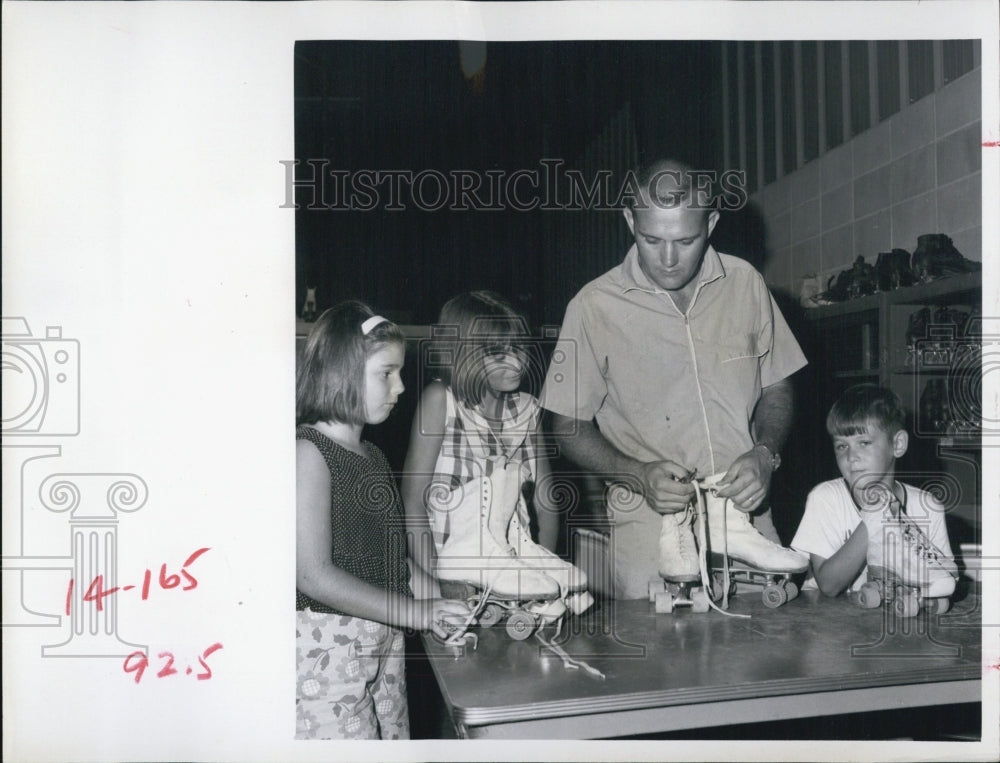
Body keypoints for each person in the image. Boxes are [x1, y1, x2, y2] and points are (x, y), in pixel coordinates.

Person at [541, 158, 808, 599]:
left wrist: (766, 453)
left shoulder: (746, 284)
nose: (667, 259)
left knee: (767, 656)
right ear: (630, 220)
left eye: (685, 240)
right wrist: (635, 473)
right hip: (650, 520)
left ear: (712, 222)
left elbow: (776, 385)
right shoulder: (592, 307)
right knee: (664, 661)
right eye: (652, 239)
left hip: (745, 512)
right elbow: (567, 425)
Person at [295, 301, 470, 740]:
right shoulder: (308, 454)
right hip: (327, 646)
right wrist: (417, 611)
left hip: (385, 639)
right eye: (386, 373)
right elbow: (312, 575)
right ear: (340, 372)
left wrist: (447, 598)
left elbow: (392, 559)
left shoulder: (373, 456)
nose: (401, 387)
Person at [401, 291, 590, 609]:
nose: (516, 362)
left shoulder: (528, 409)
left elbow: (546, 502)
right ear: (464, 354)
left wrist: (539, 583)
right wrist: (437, 583)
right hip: (451, 576)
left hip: (510, 574)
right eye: (498, 353)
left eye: (518, 348)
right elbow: (413, 503)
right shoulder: (441, 401)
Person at [791, 383, 958, 598]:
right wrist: (875, 517)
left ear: (897, 444)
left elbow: (945, 579)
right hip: (829, 621)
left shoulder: (928, 506)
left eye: (864, 442)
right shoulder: (825, 498)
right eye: (842, 446)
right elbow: (828, 585)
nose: (851, 457)